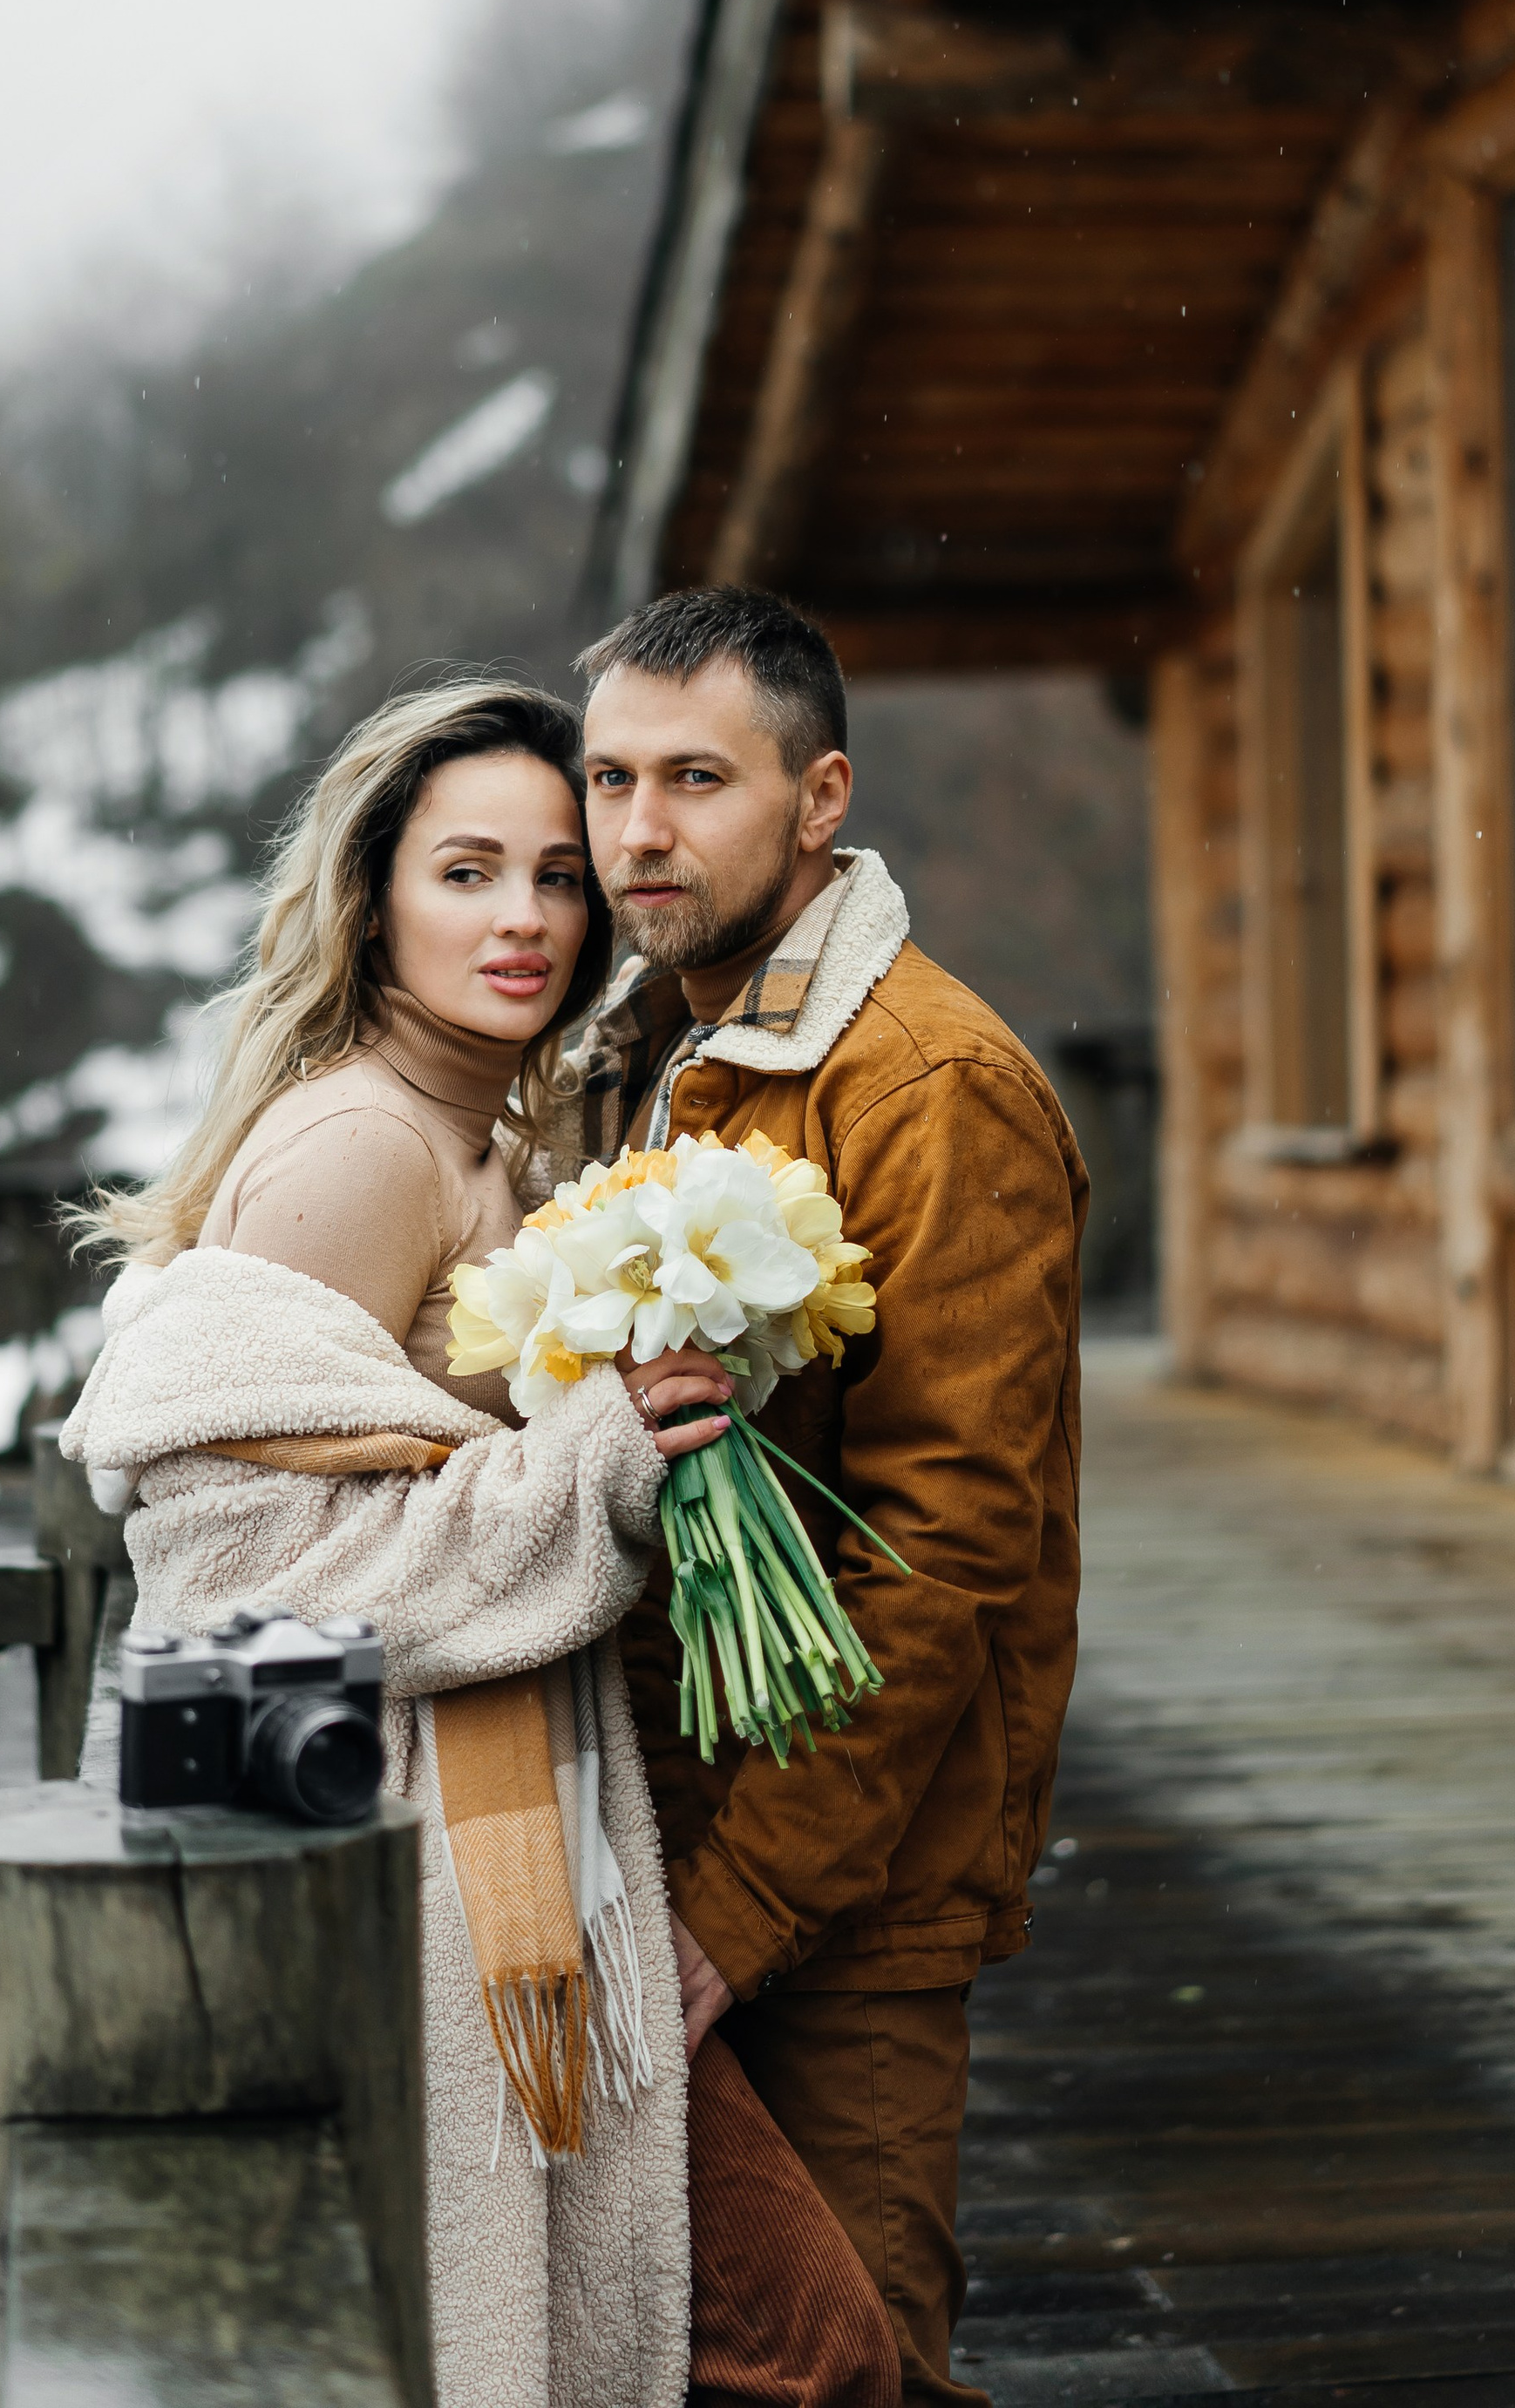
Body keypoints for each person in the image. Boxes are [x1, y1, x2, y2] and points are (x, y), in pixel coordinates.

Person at [62, 681, 900, 2408]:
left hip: (508, 1841)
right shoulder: (366, 1145)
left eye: (554, 876)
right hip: (418, 1886)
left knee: (773, 2341)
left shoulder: (477, 1129)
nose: (522, 918)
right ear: (372, 898)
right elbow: (224, 1571)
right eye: (465, 872)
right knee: (809, 2347)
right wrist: (600, 1459)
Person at [573, 589, 1088, 2408]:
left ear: (817, 796)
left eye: (696, 778)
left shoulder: (931, 1088)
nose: (637, 829)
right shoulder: (628, 1052)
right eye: (610, 778)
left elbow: (950, 1548)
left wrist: (742, 1912)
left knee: (851, 2366)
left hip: (837, 1891)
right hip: (640, 1828)